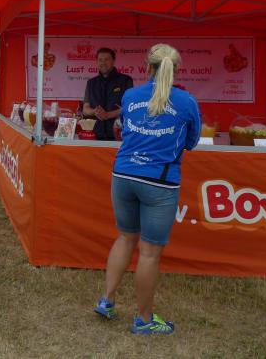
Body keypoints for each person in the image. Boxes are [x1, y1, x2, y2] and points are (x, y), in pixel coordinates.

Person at [94, 44, 200, 335]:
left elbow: (125, 128)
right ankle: (144, 319)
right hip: (159, 182)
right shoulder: (186, 101)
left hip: (123, 174)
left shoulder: (130, 95)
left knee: (125, 237)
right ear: (175, 70)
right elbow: (191, 142)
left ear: (147, 67)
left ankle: (107, 300)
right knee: (150, 253)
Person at [83, 47, 134, 140]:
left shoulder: (126, 80)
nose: (103, 63)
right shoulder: (91, 83)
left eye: (106, 59)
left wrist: (108, 115)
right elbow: (85, 109)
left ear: (113, 61)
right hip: (95, 135)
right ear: (97, 62)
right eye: (100, 60)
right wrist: (95, 111)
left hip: (119, 134)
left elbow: (130, 107)